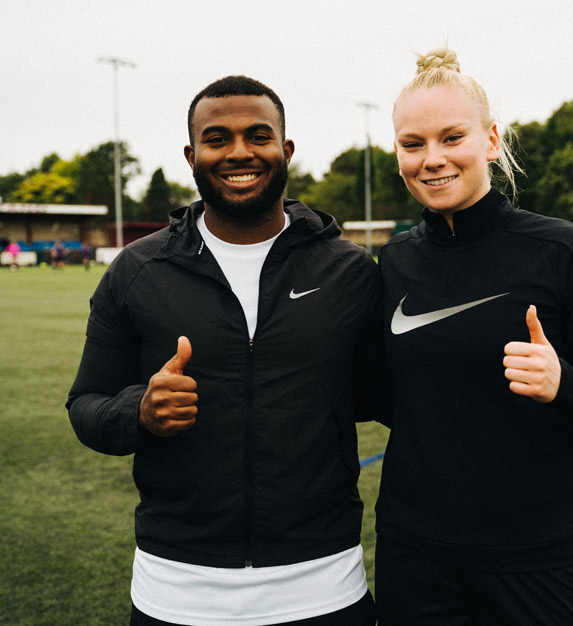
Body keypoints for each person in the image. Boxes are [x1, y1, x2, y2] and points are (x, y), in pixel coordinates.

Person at [67, 75, 389, 626]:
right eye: (217, 138)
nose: (239, 152)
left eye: (258, 136)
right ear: (192, 156)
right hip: (176, 592)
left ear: (285, 150)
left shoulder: (348, 270)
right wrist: (138, 411)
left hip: (325, 587)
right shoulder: (138, 270)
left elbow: (384, 396)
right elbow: (86, 405)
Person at [374, 48, 573, 626]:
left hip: (538, 558)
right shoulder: (393, 261)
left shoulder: (562, 250)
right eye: (412, 143)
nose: (432, 159)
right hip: (416, 559)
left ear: (491, 139)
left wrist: (560, 383)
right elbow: (381, 395)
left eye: (452, 137)